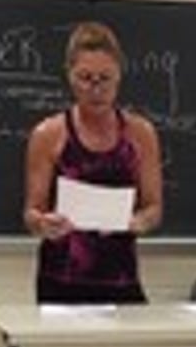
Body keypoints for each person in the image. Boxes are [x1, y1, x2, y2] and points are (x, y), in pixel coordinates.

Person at [23, 21, 162, 303]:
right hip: (62, 280)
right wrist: (44, 223)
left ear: (119, 76)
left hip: (121, 278)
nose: (96, 89)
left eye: (105, 78)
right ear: (70, 76)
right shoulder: (49, 134)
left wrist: (139, 222)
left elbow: (154, 207)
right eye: (86, 78)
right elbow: (31, 212)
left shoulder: (140, 134)